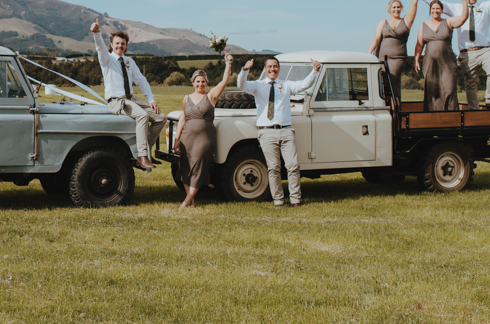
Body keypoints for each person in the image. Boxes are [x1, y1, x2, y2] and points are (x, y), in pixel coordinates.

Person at [237, 56, 321, 208]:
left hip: (286, 130)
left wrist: (315, 72)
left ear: (279, 68)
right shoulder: (258, 85)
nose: (272, 69)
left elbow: (303, 85)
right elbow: (241, 85)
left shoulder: (286, 84)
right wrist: (245, 70)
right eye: (269, 66)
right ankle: (278, 201)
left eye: (275, 66)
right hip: (267, 132)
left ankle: (295, 199)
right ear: (265, 69)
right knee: (273, 168)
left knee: (293, 166)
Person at [89, 18, 167, 172]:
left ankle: (146, 152)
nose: (120, 46)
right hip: (116, 101)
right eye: (117, 43)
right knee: (143, 116)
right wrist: (97, 33)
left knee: (161, 118)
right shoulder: (107, 60)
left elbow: (142, 81)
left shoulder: (129, 61)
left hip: (131, 99)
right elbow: (100, 48)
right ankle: (141, 156)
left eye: (123, 44)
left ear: (126, 46)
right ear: (111, 45)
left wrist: (151, 99)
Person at [173, 53, 233, 208]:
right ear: (193, 82)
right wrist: (176, 138)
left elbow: (224, 82)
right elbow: (182, 119)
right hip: (186, 138)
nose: (200, 84)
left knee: (198, 169)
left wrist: (228, 64)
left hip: (204, 140)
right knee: (185, 169)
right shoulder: (186, 98)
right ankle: (191, 202)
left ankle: (185, 202)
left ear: (207, 82)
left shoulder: (211, 96)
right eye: (197, 81)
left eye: (203, 81)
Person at [368, 0, 424, 99]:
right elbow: (377, 38)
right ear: (389, 9)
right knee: (381, 84)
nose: (396, 9)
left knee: (392, 82)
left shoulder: (407, 21)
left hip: (398, 58)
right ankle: (384, 109)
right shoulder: (383, 22)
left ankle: (396, 110)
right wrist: (368, 53)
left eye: (398, 7)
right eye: (394, 7)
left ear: (401, 8)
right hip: (381, 57)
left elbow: (414, 2)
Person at [413, 0, 470, 112]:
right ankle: (433, 118)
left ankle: (450, 118)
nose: (435, 11)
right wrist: (416, 60)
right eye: (433, 8)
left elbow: (464, 17)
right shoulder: (423, 25)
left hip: (447, 64)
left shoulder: (448, 22)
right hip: (430, 64)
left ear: (442, 10)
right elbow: (419, 44)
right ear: (430, 10)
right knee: (433, 92)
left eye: (438, 8)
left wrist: (464, 1)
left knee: (449, 89)